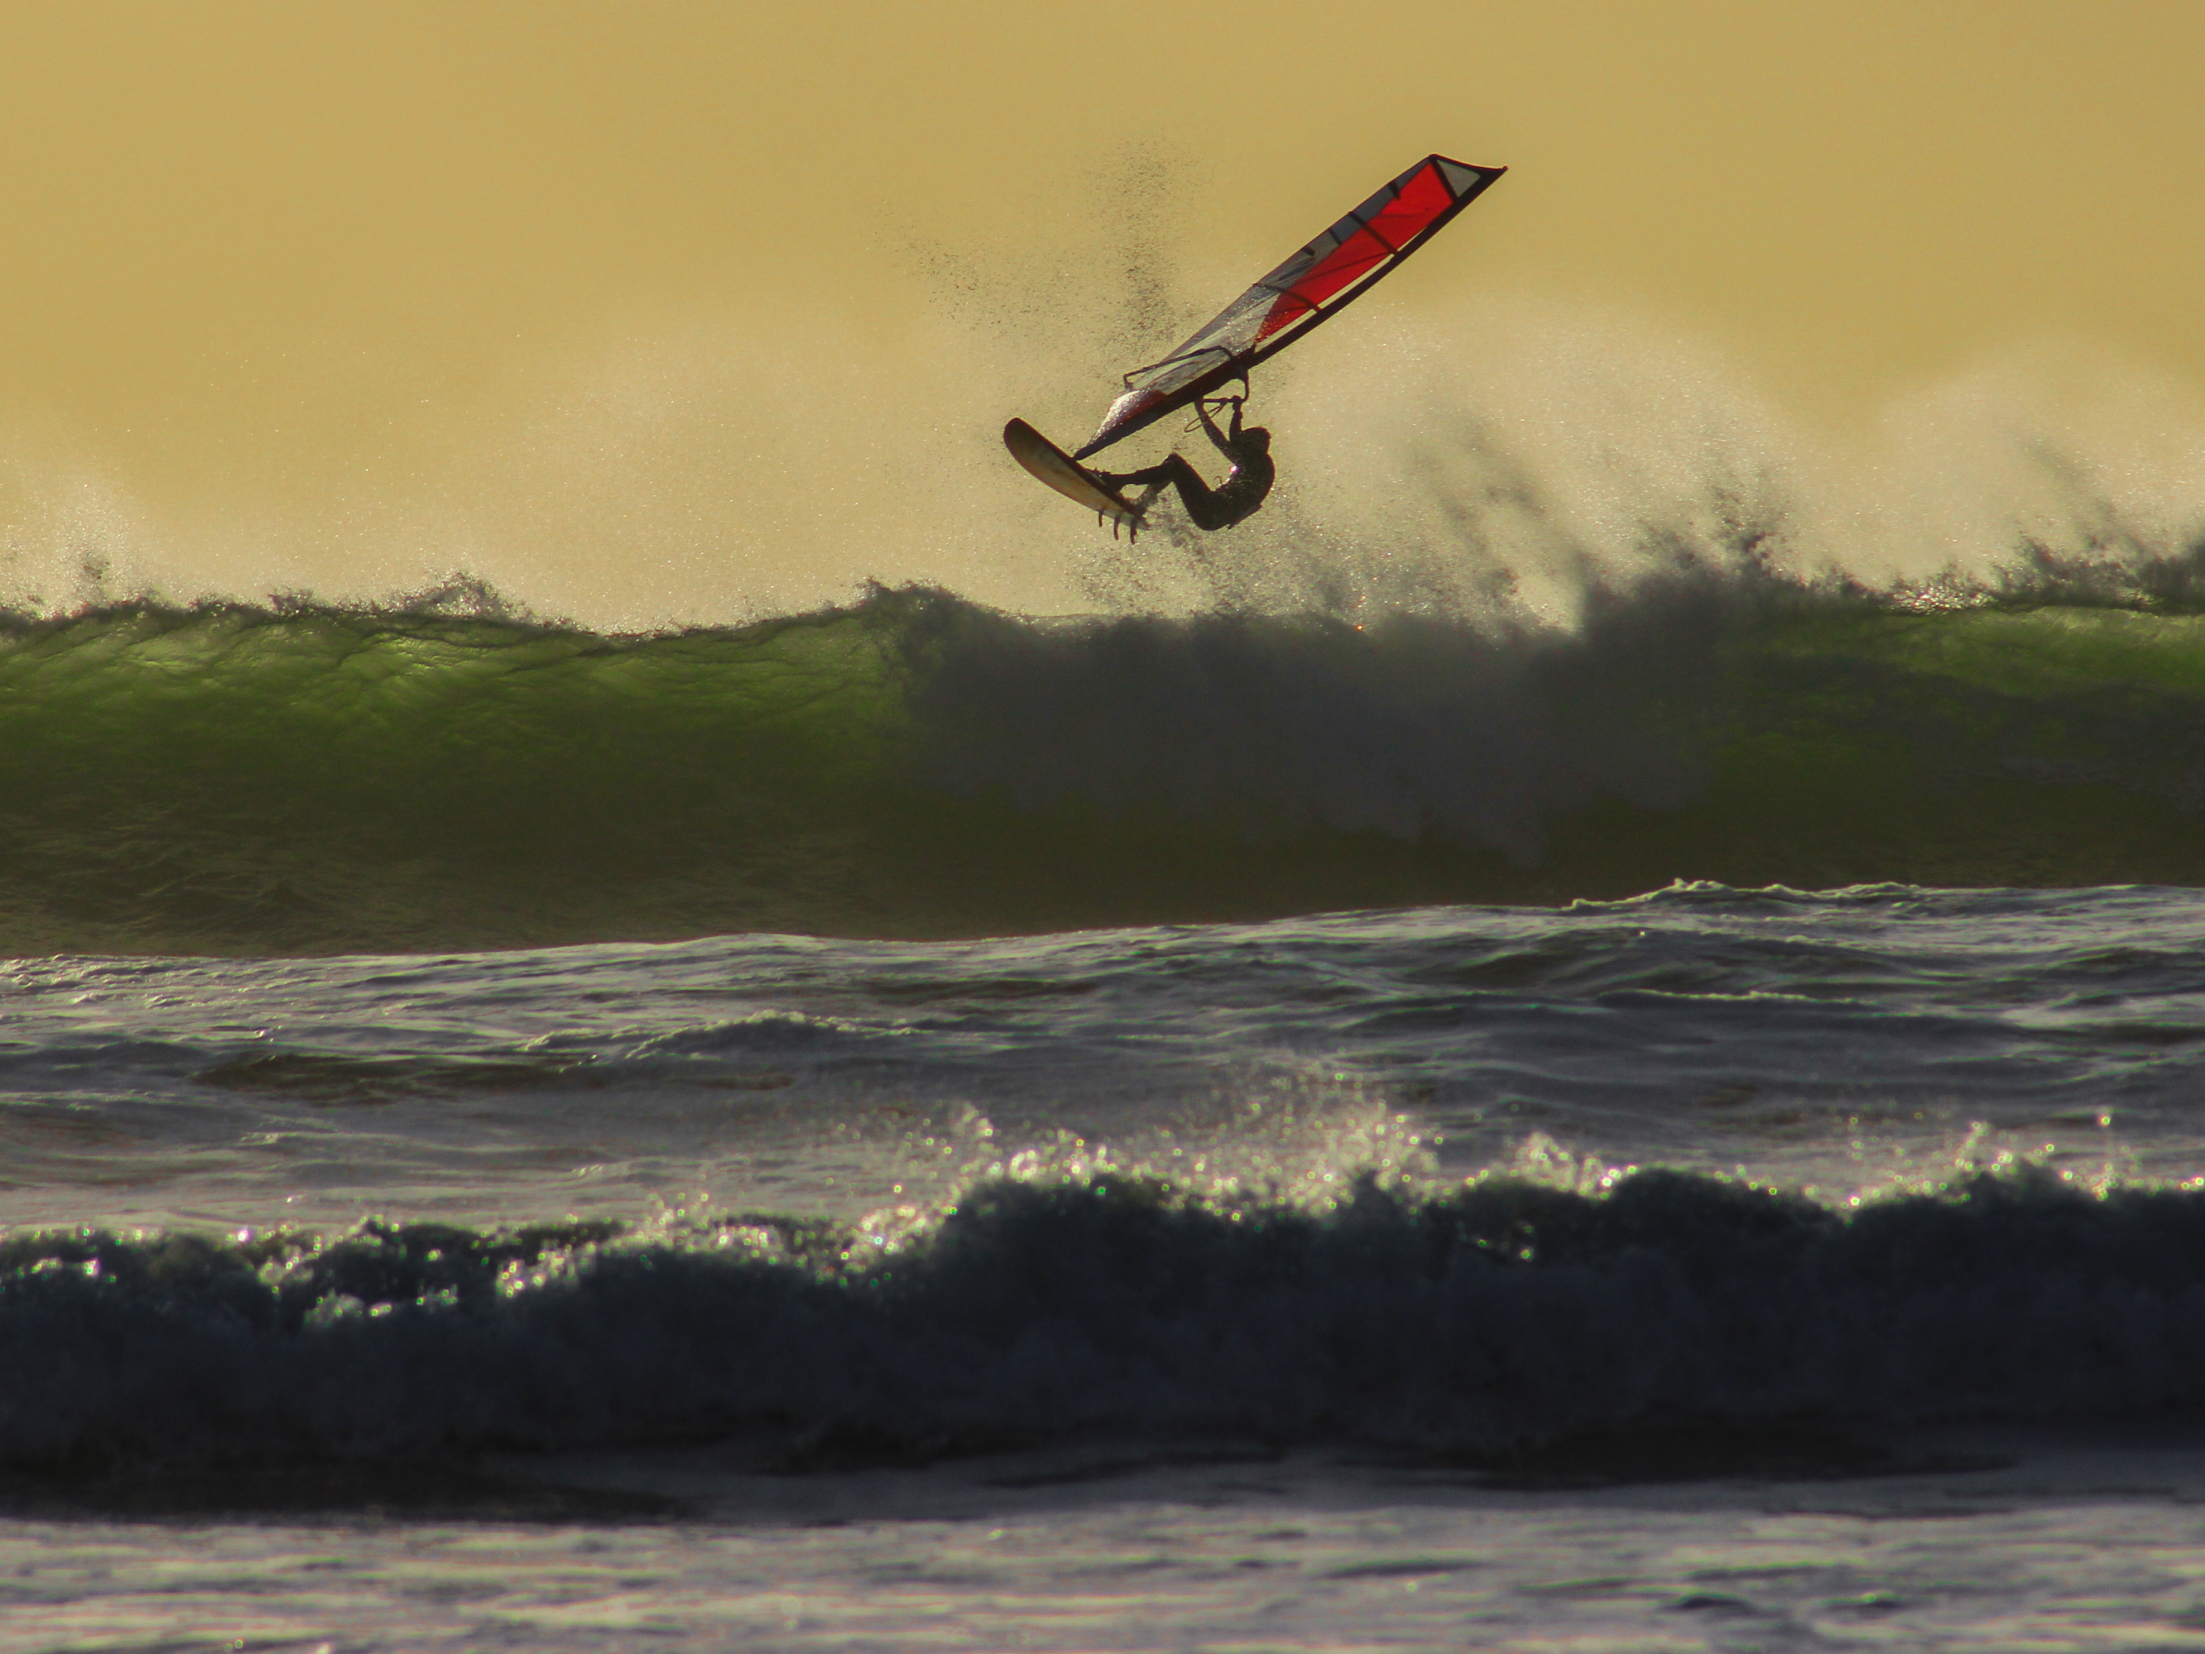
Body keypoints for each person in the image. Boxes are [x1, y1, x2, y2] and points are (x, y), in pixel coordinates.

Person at [1090, 396, 1274, 531]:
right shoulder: (1255, 459)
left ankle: (1118, 481)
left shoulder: (1258, 462)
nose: (1240, 442)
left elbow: (1225, 441)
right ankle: (1142, 503)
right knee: (1173, 463)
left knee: (1176, 468)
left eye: (1245, 439)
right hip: (1212, 513)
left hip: (1212, 511)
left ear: (1253, 444)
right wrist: (1236, 412)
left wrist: (1202, 410)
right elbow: (1234, 440)